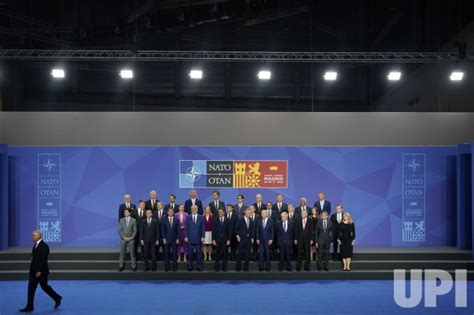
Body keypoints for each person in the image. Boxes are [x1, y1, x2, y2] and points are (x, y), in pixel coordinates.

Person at [19, 230, 62, 313]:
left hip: (41, 272)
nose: (32, 237)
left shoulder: (44, 246)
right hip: (33, 272)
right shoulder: (35, 245)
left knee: (44, 287)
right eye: (32, 235)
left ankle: (57, 298)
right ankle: (30, 306)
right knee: (31, 288)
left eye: (33, 235)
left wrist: (39, 271)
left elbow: (43, 260)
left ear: (39, 236)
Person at [185, 205, 205, 271]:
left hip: (198, 238)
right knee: (190, 254)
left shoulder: (201, 217)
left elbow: (203, 228)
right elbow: (186, 228)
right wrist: (186, 236)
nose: (193, 210)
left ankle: (199, 266)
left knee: (199, 253)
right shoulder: (187, 217)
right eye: (192, 209)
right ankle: (189, 266)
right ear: (191, 210)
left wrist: (203, 236)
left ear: (197, 209)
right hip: (190, 238)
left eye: (195, 209)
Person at [162, 207, 179, 271]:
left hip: (174, 239)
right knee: (166, 253)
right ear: (168, 212)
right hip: (166, 239)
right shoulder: (164, 219)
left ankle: (174, 267)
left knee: (174, 253)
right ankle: (167, 267)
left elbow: (177, 230)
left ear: (173, 212)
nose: (170, 213)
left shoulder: (176, 219)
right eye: (169, 212)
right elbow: (162, 230)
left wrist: (177, 238)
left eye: (172, 212)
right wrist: (163, 238)